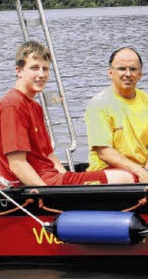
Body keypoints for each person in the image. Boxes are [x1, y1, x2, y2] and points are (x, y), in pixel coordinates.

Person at [0, 41, 133, 187]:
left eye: (45, 69)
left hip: (51, 178)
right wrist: (47, 195)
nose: (41, 74)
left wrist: (68, 184)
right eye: (34, 68)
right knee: (123, 178)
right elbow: (17, 164)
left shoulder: (35, 106)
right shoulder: (13, 106)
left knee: (125, 174)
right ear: (18, 71)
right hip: (39, 184)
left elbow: (49, 155)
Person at [85, 47, 148, 183]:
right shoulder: (98, 104)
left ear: (140, 74)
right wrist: (139, 172)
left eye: (133, 69)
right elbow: (104, 152)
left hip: (144, 168)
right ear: (110, 72)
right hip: (109, 170)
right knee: (126, 180)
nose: (127, 74)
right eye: (121, 69)